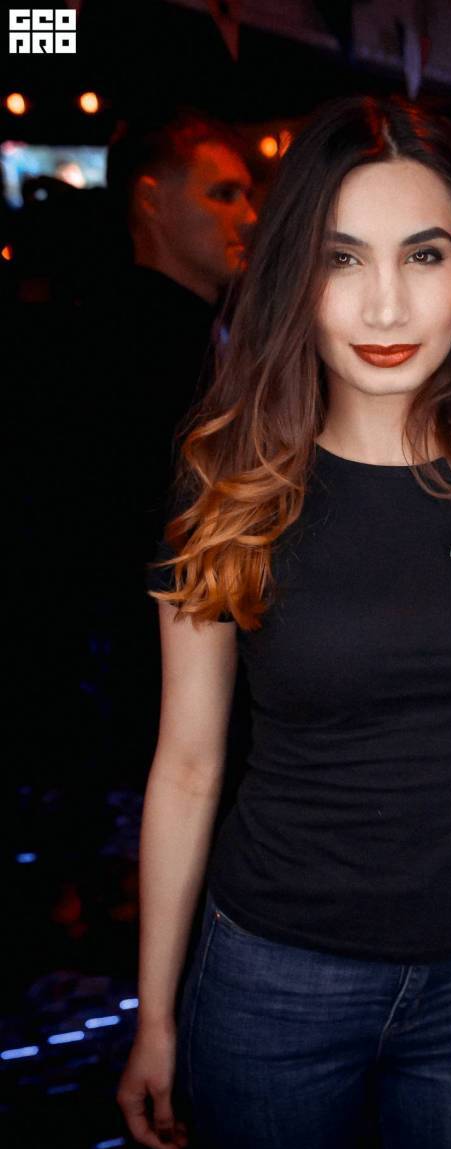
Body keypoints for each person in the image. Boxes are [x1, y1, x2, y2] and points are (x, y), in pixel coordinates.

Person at [115, 93, 451, 1149]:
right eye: (341, 259)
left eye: (423, 255)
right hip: (272, 984)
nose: (386, 303)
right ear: (294, 278)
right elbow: (188, 766)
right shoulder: (233, 489)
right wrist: (156, 1015)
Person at [76, 109, 258, 788]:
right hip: (160, 673)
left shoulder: (212, 332)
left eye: (246, 195)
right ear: (151, 200)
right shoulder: (124, 343)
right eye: (222, 194)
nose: (247, 217)